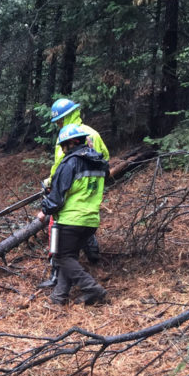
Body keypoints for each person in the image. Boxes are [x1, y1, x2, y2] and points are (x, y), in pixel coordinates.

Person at [38, 98, 110, 288]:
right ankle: (90, 250)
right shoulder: (92, 133)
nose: (58, 124)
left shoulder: (66, 137)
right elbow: (105, 159)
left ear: (65, 117)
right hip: (90, 194)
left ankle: (56, 274)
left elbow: (61, 167)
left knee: (59, 232)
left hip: (70, 193)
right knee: (82, 227)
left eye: (60, 120)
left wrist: (50, 183)